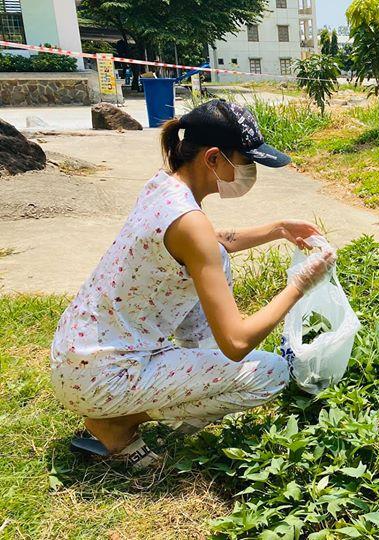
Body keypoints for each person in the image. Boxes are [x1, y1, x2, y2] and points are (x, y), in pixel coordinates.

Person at [50, 99, 336, 468]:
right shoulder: (189, 222)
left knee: (218, 260)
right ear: (213, 158)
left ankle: (166, 384)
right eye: (245, 160)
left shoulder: (163, 188)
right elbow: (236, 344)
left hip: (77, 356)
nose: (249, 170)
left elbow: (210, 241)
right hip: (104, 376)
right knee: (271, 373)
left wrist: (279, 229)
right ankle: (118, 423)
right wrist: (299, 285)